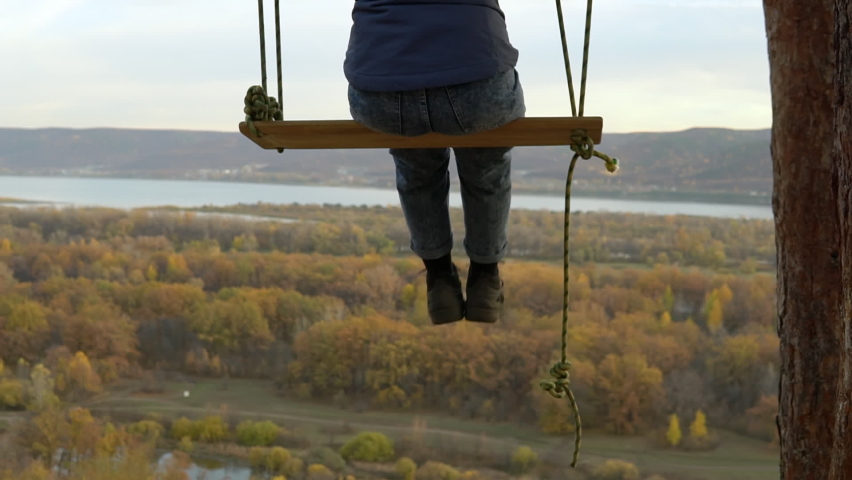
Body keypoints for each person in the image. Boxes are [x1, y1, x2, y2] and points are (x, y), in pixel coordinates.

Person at [343, 0, 525, 325]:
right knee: (487, 170)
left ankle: (439, 277)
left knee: (416, 171)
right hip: (478, 84)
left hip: (381, 89)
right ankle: (485, 277)